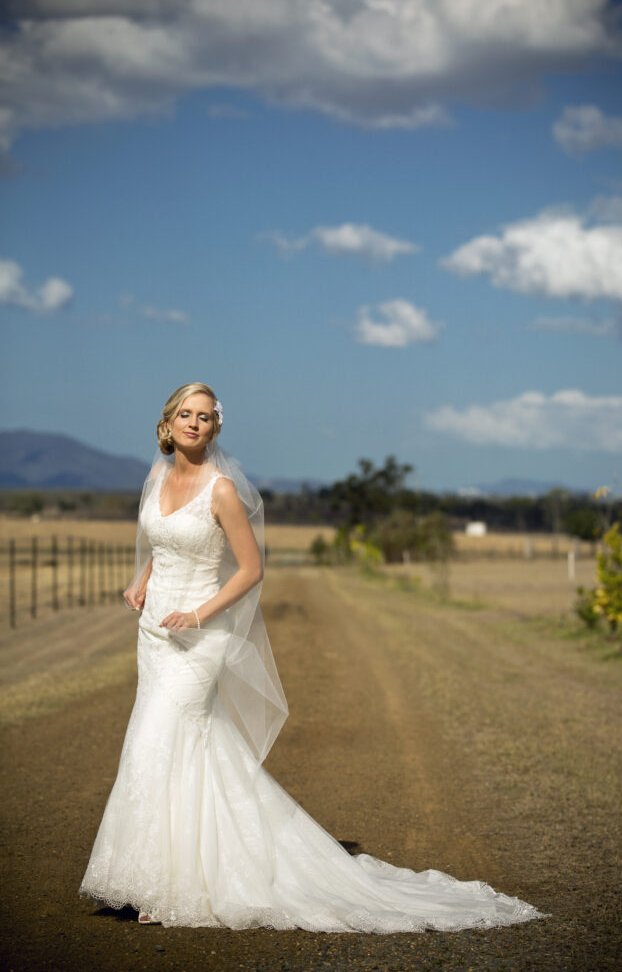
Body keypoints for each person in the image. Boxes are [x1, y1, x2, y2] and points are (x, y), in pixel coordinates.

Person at [79, 382, 547, 931]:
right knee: (164, 743)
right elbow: (164, 544)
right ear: (168, 422)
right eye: (186, 414)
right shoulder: (157, 476)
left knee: (160, 736)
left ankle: (175, 883)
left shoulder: (222, 490)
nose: (195, 424)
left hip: (199, 635)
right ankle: (152, 874)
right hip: (154, 633)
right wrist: (141, 580)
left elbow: (251, 570)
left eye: (205, 417)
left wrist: (200, 614)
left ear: (216, 427)